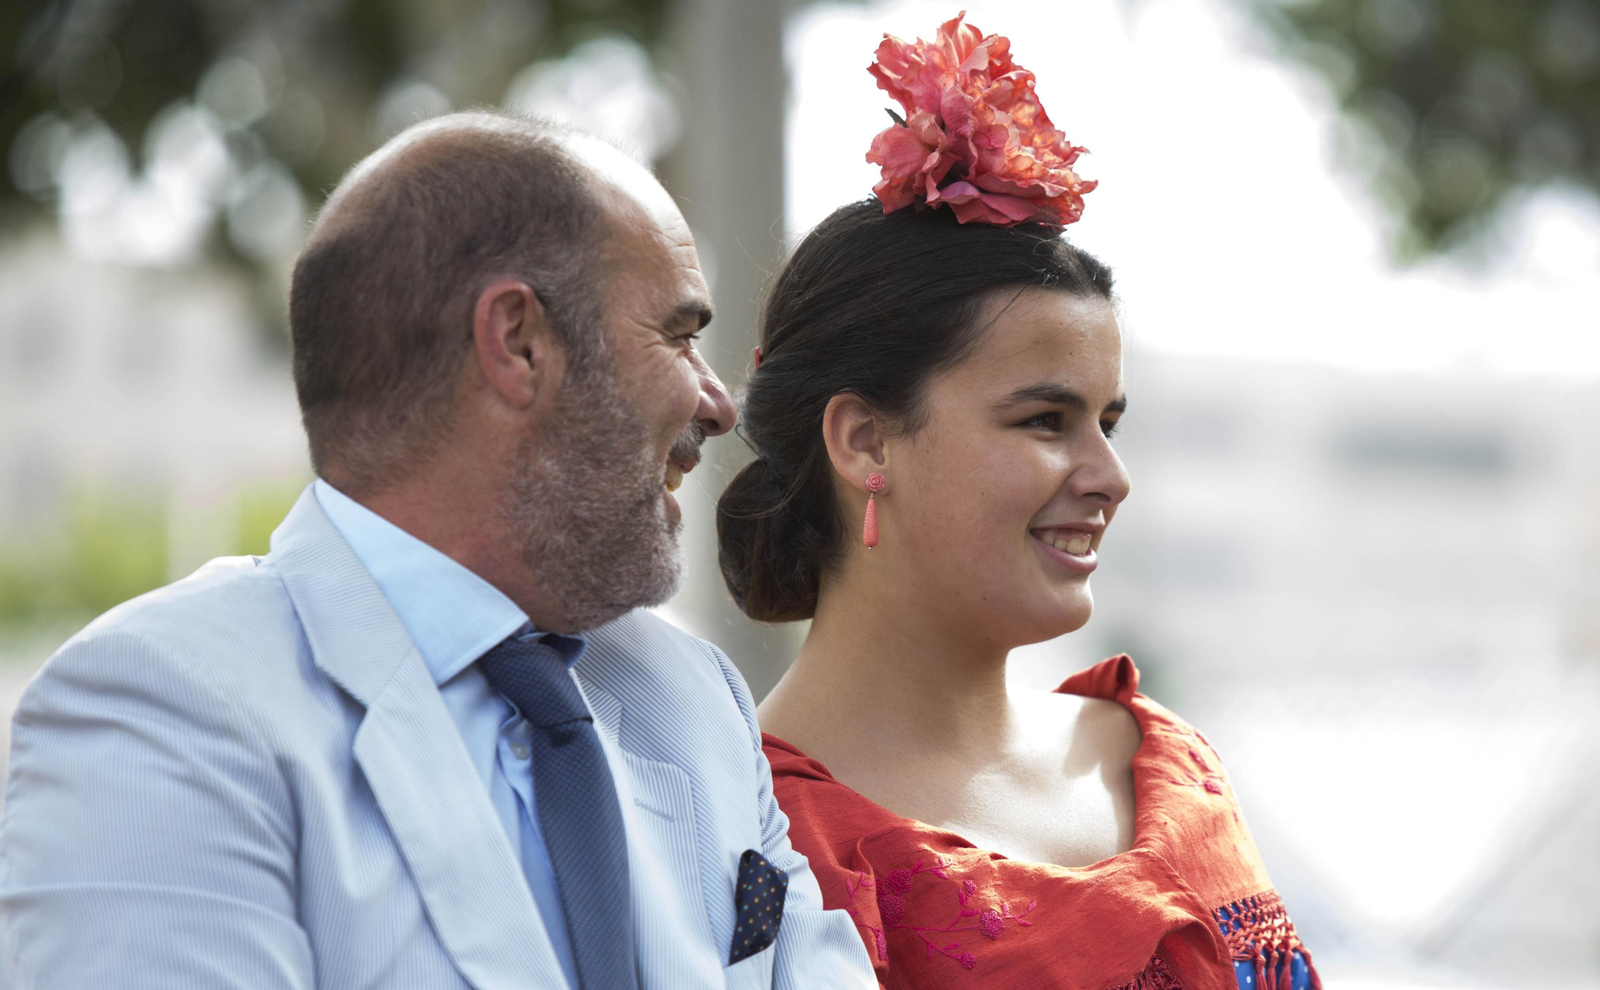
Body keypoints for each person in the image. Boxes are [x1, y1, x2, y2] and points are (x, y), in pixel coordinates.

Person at [0, 111, 876, 989]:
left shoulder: (691, 699)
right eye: (680, 336)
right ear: (518, 342)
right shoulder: (163, 711)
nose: (719, 404)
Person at [715, 15, 1320, 990]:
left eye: (1107, 423)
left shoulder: (1163, 761)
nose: (1106, 477)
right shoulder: (750, 839)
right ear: (865, 440)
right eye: (1045, 421)